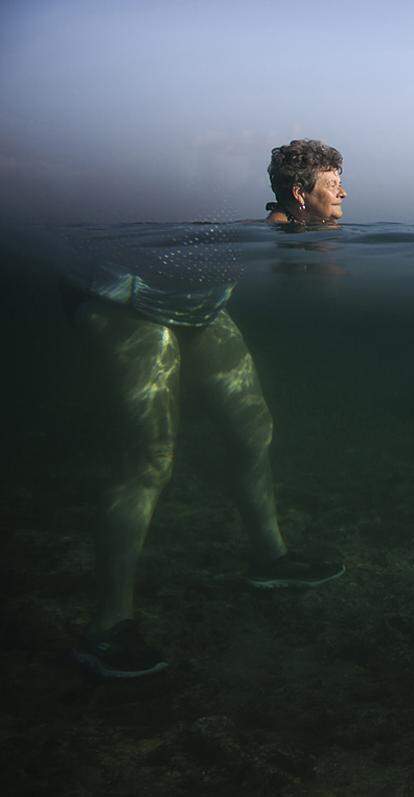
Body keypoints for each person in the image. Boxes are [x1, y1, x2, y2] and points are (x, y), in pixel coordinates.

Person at [69, 139, 348, 679]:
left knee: (252, 428)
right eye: (333, 184)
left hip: (196, 306)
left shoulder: (294, 231)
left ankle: (271, 560)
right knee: (148, 457)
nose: (344, 192)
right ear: (299, 194)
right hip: (128, 300)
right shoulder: (262, 232)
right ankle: (106, 628)